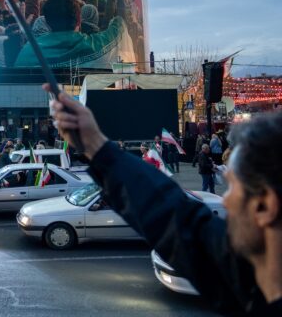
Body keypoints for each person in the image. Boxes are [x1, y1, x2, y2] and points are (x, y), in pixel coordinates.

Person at [47, 87, 282, 315]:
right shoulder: (249, 278)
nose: (226, 201)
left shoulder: (245, 280)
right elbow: (175, 218)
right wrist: (95, 145)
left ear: (265, 206)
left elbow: (176, 221)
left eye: (233, 188)